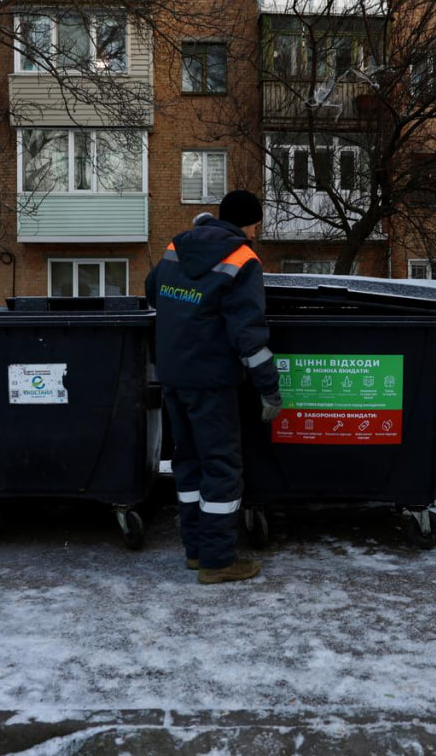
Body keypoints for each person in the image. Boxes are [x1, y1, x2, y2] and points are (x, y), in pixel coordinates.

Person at [145, 189, 282, 585]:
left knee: (188, 464)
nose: (257, 230)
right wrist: (269, 389)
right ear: (249, 223)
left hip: (173, 376)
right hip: (211, 381)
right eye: (256, 223)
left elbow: (153, 290)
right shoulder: (243, 258)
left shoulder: (177, 246)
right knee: (221, 466)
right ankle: (218, 561)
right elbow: (249, 336)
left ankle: (196, 551)